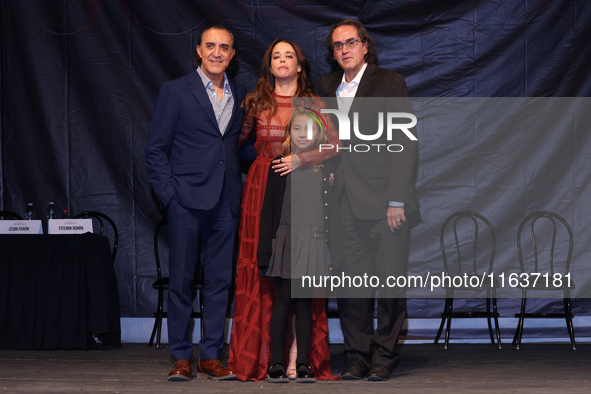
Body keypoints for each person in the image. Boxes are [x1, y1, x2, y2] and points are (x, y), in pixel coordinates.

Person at [229, 38, 340, 381]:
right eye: (276, 56)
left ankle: (298, 354)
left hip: (303, 186)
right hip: (263, 190)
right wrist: (263, 163)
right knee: (264, 269)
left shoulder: (313, 102)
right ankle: (264, 356)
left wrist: (301, 159)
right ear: (269, 65)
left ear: (300, 65)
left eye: (288, 55)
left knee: (301, 275)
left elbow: (335, 143)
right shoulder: (255, 102)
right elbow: (236, 144)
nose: (282, 60)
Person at [316, 19, 420, 381]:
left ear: (365, 46)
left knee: (389, 284)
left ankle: (385, 356)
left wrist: (397, 201)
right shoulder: (327, 86)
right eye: (337, 45)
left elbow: (405, 144)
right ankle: (357, 356)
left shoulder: (390, 82)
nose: (343, 49)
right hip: (343, 202)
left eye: (350, 42)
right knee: (350, 286)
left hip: (384, 202)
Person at [145, 26, 247, 382]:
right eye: (211, 46)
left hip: (226, 201)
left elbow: (235, 147)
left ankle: (211, 356)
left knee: (220, 283)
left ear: (232, 55)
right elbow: (155, 148)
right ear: (199, 52)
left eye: (224, 47)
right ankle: (181, 357)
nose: (217, 52)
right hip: (185, 201)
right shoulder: (175, 91)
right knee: (182, 283)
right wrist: (170, 196)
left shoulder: (241, 94)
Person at [257, 108, 336, 383]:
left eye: (309, 129)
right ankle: (275, 363)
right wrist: (266, 250)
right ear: (289, 133)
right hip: (287, 240)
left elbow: (330, 214)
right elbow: (268, 211)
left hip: (313, 241)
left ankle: (303, 362)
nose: (304, 135)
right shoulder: (279, 164)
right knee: (282, 304)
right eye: (297, 129)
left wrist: (328, 250)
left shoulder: (324, 168)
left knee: (304, 305)